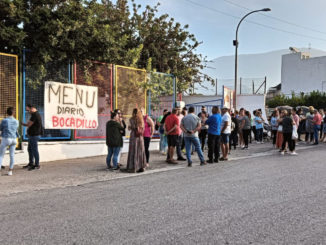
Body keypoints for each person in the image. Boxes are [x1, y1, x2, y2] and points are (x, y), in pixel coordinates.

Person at [22, 104, 43, 171]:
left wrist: (21, 123)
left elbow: (28, 124)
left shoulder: (35, 115)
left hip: (34, 135)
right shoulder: (36, 114)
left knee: (34, 150)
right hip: (33, 135)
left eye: (28, 110)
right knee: (30, 149)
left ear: (32, 108)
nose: (28, 111)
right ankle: (31, 163)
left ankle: (37, 165)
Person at [125, 108, 146, 173]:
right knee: (140, 150)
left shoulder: (131, 119)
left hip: (133, 136)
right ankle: (141, 166)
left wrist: (132, 127)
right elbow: (143, 128)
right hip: (140, 137)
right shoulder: (141, 119)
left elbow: (129, 128)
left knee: (133, 151)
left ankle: (133, 167)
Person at [0, 107, 19, 176]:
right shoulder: (17, 121)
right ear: (13, 113)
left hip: (6, 138)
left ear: (7, 113)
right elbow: (16, 129)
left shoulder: (4, 120)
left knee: (1, 155)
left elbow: (1, 128)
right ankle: (10, 171)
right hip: (14, 139)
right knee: (12, 156)